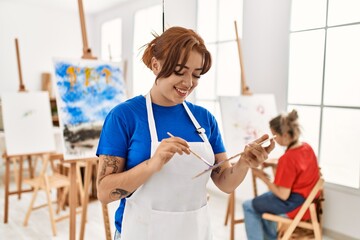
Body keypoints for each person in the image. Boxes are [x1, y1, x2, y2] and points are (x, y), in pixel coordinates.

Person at [96, 26, 275, 240]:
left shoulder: (204, 119)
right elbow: (104, 192)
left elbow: (225, 183)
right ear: (156, 65)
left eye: (196, 75)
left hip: (194, 233)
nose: (189, 83)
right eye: (180, 72)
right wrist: (152, 165)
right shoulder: (124, 116)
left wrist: (244, 162)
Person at [242, 109, 320, 240]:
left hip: (294, 205)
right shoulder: (307, 147)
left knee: (248, 206)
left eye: (274, 136)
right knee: (263, 203)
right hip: (308, 201)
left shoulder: (287, 159)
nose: (273, 140)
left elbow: (283, 195)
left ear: (285, 135)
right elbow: (298, 167)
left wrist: (262, 177)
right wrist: (275, 164)